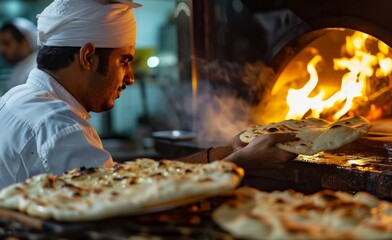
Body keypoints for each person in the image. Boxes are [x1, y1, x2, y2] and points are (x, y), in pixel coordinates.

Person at [0, 0, 296, 189]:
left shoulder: (16, 99)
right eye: (124, 61)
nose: (129, 77)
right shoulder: (60, 126)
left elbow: (120, 177)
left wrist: (226, 151)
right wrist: (242, 163)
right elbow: (123, 197)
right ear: (88, 56)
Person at [0, 17, 38, 91]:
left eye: (7, 43)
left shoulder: (34, 72)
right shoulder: (22, 66)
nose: (2, 49)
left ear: (25, 43)